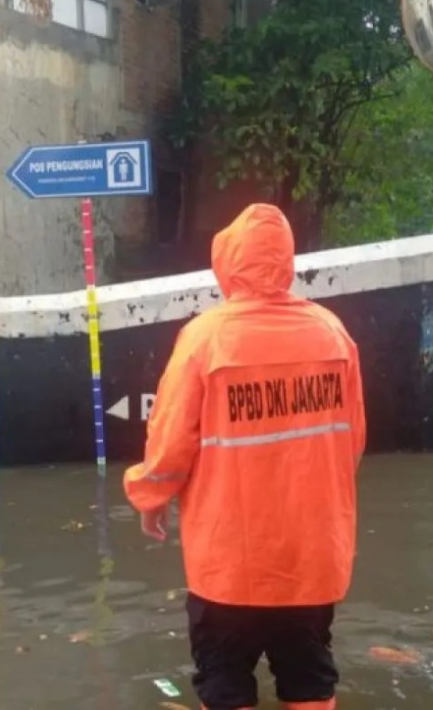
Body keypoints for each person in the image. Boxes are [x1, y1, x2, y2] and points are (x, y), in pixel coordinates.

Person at [123, 203, 366, 710]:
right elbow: (352, 444)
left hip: (228, 563)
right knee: (309, 676)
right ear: (286, 261)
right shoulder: (333, 335)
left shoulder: (205, 339)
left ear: (227, 262)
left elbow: (169, 442)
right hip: (310, 558)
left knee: (225, 680)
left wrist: (150, 496)